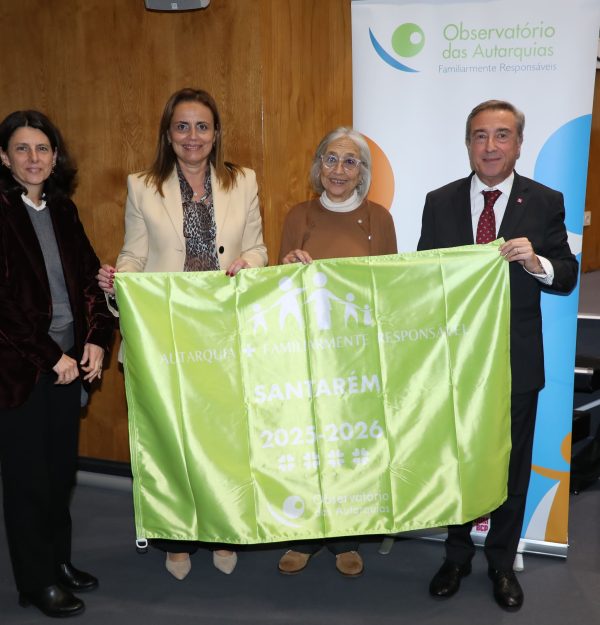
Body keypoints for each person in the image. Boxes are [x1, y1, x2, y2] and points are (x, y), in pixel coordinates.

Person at [97, 88, 267, 580]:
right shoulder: (142, 186)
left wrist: (248, 263)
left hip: (223, 334)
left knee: (223, 441)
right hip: (166, 335)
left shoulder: (243, 181)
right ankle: (176, 538)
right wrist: (120, 280)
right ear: (168, 134)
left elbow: (258, 248)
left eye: (202, 126)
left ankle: (222, 530)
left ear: (216, 133)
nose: (193, 136)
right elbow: (134, 254)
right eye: (182, 126)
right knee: (172, 440)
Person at [417, 100, 578, 611]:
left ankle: (502, 563)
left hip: (516, 360)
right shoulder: (439, 201)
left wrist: (537, 262)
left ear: (519, 144)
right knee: (458, 461)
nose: (490, 146)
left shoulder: (545, 201)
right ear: (468, 143)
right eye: (480, 135)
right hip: (456, 361)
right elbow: (422, 276)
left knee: (512, 466)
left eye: (502, 135)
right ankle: (456, 556)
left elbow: (567, 275)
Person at [0, 110, 113, 618]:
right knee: (29, 480)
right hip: (20, 371)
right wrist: (52, 358)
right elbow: (4, 307)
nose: (33, 158)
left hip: (69, 363)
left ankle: (58, 562)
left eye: (42, 148)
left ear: (55, 156)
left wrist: (97, 340)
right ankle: (36, 581)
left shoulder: (63, 210)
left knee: (60, 472)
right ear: (4, 158)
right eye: (21, 149)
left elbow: (89, 279)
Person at [277, 126, 397, 577]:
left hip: (357, 354)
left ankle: (347, 537)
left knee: (350, 444)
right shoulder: (299, 215)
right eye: (331, 159)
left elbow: (388, 289)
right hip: (306, 351)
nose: (339, 170)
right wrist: (285, 267)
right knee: (306, 442)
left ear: (362, 172)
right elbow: (277, 287)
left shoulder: (379, 219)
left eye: (350, 161)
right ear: (318, 166)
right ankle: (305, 535)